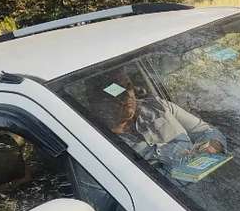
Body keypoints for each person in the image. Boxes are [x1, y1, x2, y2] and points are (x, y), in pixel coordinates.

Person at [92, 69, 227, 172]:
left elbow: (207, 131)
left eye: (129, 87)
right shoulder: (99, 142)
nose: (128, 95)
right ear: (102, 101)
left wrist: (213, 146)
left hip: (206, 184)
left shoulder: (158, 107)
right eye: (117, 91)